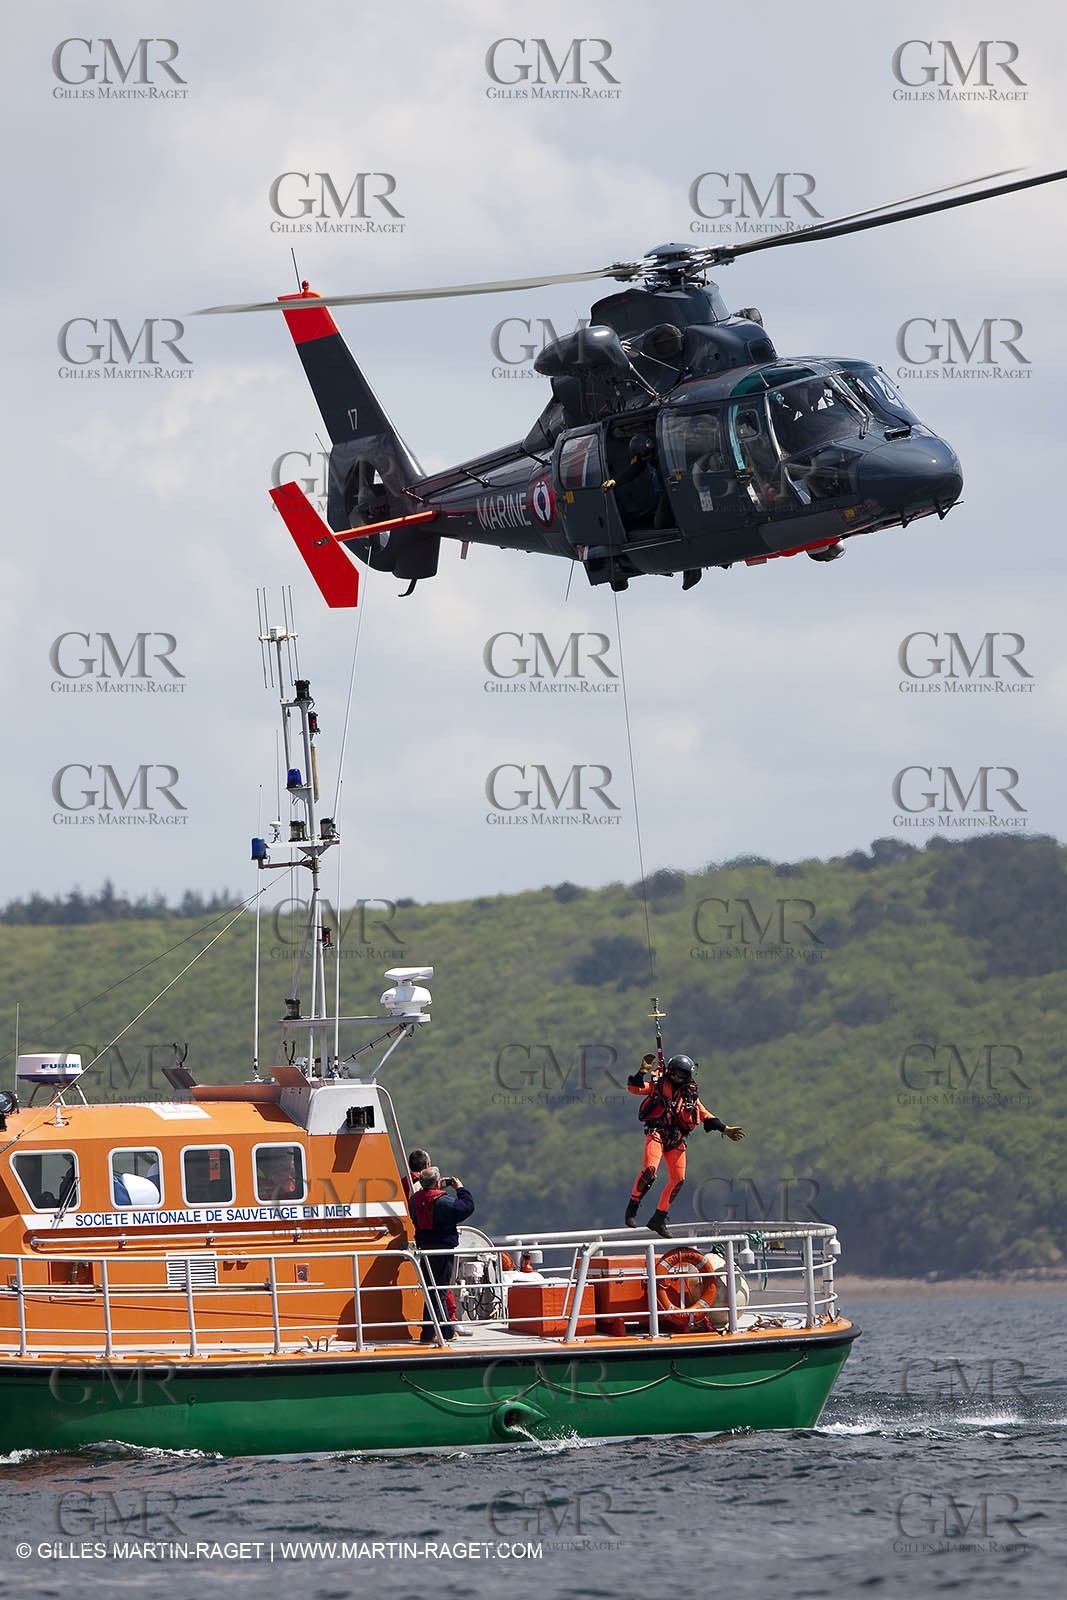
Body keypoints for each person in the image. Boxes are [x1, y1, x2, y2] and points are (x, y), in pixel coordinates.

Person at [625, 1053, 745, 1237]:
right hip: (656, 1133)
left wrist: (725, 1129)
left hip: (676, 1139)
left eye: (682, 1076)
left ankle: (659, 1218)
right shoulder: (658, 1085)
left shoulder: (689, 1094)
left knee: (678, 1180)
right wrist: (642, 1072)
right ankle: (633, 1207)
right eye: (674, 1074)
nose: (677, 1078)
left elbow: (705, 1114)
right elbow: (634, 1088)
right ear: (669, 1072)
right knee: (649, 1170)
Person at [410, 1166, 475, 1343]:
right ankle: (438, 1332)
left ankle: (435, 1331)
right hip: (442, 1250)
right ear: (438, 1182)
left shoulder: (414, 1200)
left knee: (432, 1289)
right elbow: (466, 1208)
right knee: (439, 1290)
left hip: (425, 1250)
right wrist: (460, 1189)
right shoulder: (443, 1201)